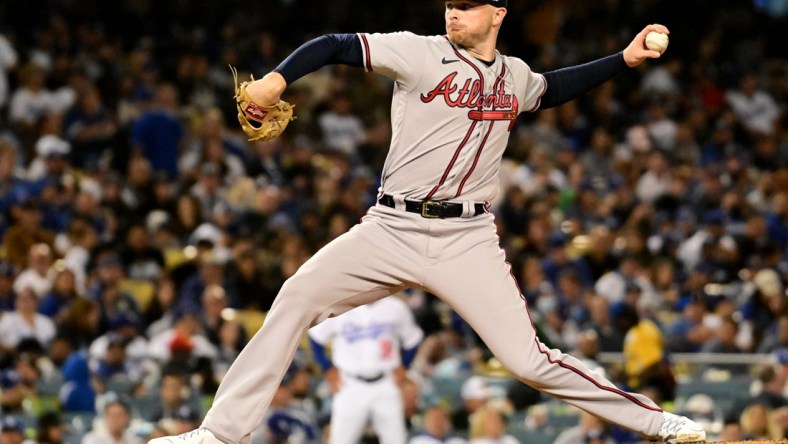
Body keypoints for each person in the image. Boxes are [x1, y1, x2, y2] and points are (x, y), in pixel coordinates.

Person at [151, 1, 705, 443]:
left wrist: (624, 60)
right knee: (295, 298)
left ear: (498, 13)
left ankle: (658, 424)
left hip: (467, 239)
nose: (453, 14)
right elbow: (334, 45)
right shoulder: (418, 54)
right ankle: (219, 434)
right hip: (389, 228)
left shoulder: (514, 76)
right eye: (449, 5)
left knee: (529, 361)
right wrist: (277, 79)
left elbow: (554, 88)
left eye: (466, 6)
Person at [308, 295, 423, 444]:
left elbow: (413, 338)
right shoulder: (339, 306)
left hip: (386, 383)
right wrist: (327, 368)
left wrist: (405, 365)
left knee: (396, 440)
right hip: (350, 384)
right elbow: (316, 338)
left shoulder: (395, 307)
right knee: (340, 441)